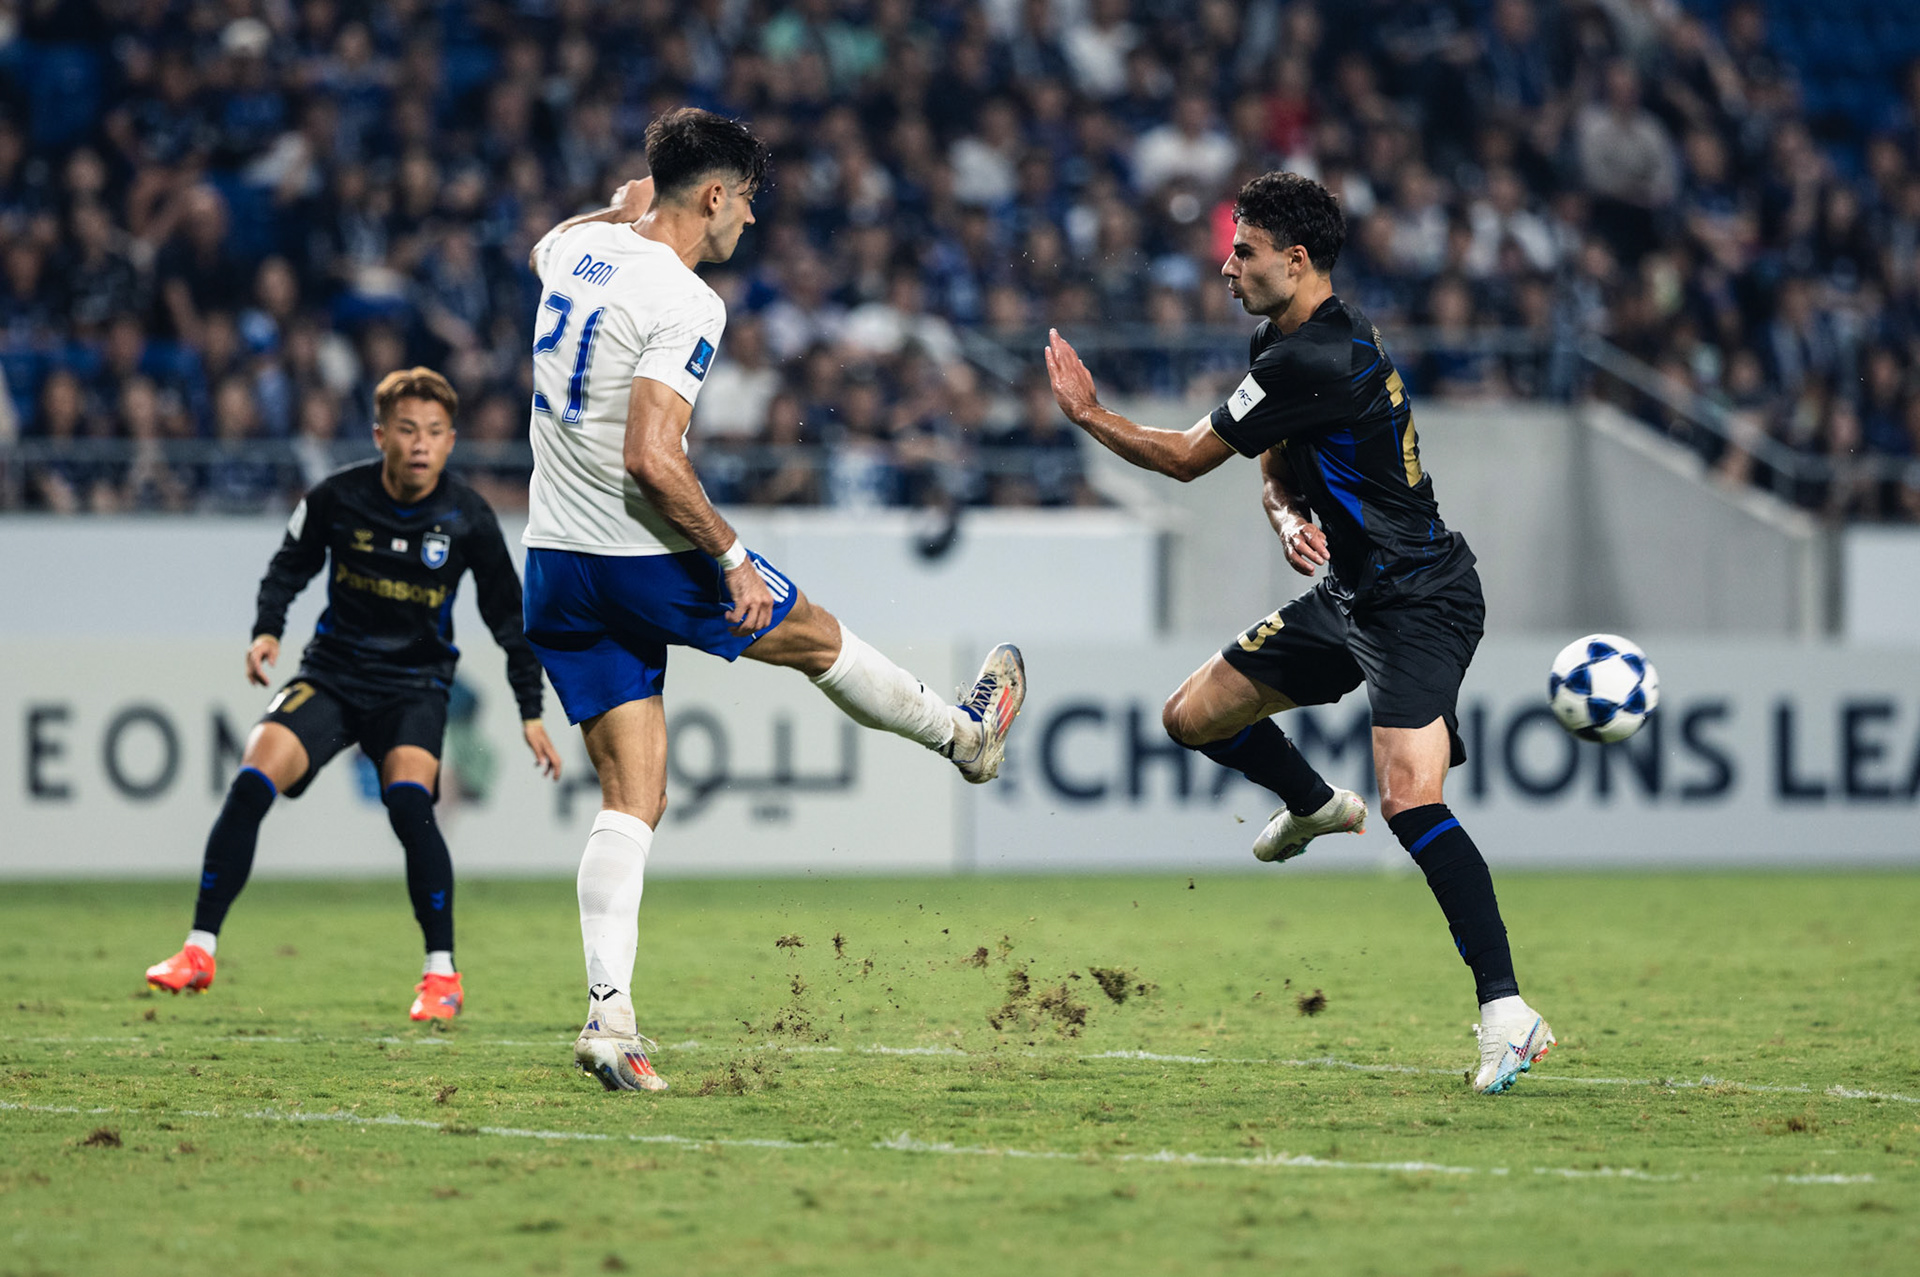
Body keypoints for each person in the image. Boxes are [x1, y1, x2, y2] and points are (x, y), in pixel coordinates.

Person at [519, 108, 1026, 1094]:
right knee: (816, 636)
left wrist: (626, 206)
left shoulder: (573, 248)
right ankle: (962, 735)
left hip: (554, 556)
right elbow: (651, 456)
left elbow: (586, 227)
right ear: (714, 196)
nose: (748, 222)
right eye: (745, 202)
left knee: (634, 798)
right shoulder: (687, 299)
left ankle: (608, 1019)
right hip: (642, 551)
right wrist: (735, 553)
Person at [1043, 172, 1554, 1096]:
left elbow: (1188, 458)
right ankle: (1315, 804)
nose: (1226, 266)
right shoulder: (1283, 343)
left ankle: (1506, 1014)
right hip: (1351, 595)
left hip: (1420, 598)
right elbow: (1273, 459)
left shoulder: (1314, 358)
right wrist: (1284, 519)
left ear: (1297, 259)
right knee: (1191, 716)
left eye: (1242, 251)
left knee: (1410, 800)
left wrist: (1087, 416)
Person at [143, 367, 561, 1021]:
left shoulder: (468, 517)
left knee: (408, 804)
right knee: (252, 779)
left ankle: (441, 975)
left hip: (415, 687)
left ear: (450, 442)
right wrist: (265, 633)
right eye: (406, 430)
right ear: (380, 435)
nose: (420, 444)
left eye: (433, 432)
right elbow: (288, 567)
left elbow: (510, 621)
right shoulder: (338, 497)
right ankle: (198, 950)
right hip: (332, 676)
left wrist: (530, 711)